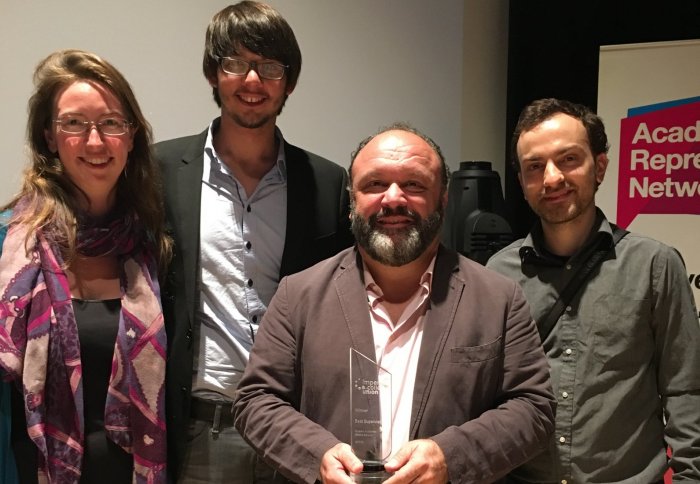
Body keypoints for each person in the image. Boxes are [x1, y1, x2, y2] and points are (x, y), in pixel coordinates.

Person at [233, 123, 556, 484]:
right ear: (353, 199)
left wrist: (452, 456)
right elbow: (256, 401)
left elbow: (534, 409)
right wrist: (316, 455)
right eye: (374, 184)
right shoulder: (298, 295)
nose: (393, 199)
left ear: (443, 197)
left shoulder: (500, 299)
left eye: (414, 184)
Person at [153, 2, 353, 482]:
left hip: (301, 431)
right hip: (204, 431)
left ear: (289, 81)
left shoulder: (327, 182)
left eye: (269, 67)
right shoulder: (159, 172)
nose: (252, 81)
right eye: (235, 63)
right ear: (212, 73)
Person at [487, 98, 700, 483]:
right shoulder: (497, 275)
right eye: (535, 167)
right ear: (521, 182)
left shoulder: (655, 265)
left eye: (568, 159)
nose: (552, 177)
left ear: (599, 165)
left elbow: (687, 392)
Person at [0, 50, 172, 483]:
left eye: (112, 123)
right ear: (50, 137)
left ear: (132, 137)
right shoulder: (9, 247)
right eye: (74, 123)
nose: (95, 142)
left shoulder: (155, 249)